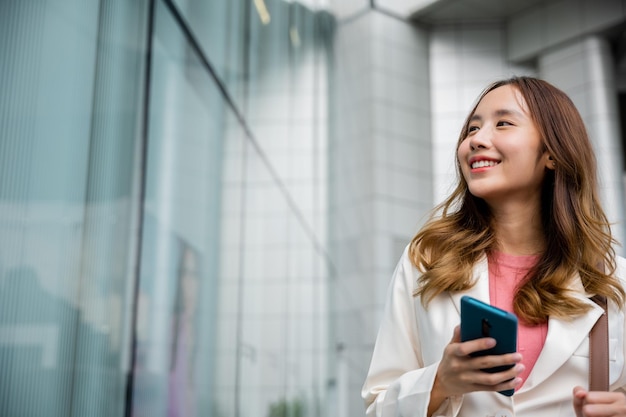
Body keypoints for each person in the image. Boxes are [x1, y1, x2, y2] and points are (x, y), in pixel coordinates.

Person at [361, 76, 626, 417]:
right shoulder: (426, 260)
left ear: (553, 154)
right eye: (472, 129)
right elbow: (376, 407)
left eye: (503, 123)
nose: (476, 140)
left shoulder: (613, 279)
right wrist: (440, 382)